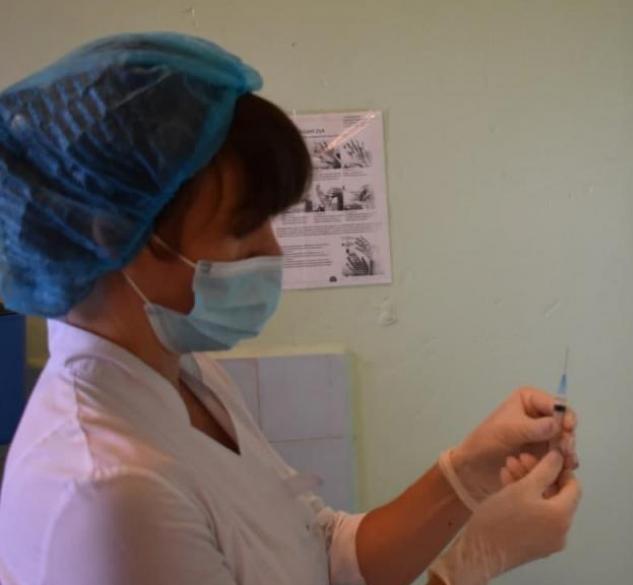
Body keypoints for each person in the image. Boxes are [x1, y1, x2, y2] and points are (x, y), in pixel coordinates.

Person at [0, 33, 581, 585]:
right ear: (117, 237)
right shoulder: (107, 494)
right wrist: (469, 566)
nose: (274, 254)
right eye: (244, 230)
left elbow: (321, 554)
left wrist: (467, 474)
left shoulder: (185, 376)